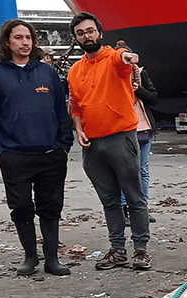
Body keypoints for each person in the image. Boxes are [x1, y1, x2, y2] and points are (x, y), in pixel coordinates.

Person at [0, 19, 73, 276]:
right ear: (7, 42)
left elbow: (61, 111)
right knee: (21, 208)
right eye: (19, 37)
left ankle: (52, 259)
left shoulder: (47, 73)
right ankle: (30, 257)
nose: (25, 42)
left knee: (51, 207)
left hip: (51, 154)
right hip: (14, 156)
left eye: (28, 38)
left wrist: (64, 145)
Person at [67, 12, 152, 271]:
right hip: (92, 145)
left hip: (121, 138)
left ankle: (141, 250)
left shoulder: (113, 59)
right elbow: (76, 105)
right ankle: (117, 250)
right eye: (81, 33)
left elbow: (122, 59)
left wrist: (127, 57)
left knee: (134, 197)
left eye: (90, 31)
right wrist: (78, 130)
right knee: (109, 201)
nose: (86, 36)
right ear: (76, 38)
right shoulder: (75, 71)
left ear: (100, 33)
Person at [118, 46, 159, 225]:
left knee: (143, 171)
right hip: (123, 130)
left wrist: (138, 89)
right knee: (126, 171)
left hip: (144, 128)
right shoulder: (113, 76)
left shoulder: (141, 74)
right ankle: (124, 209)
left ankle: (141, 209)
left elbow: (154, 98)